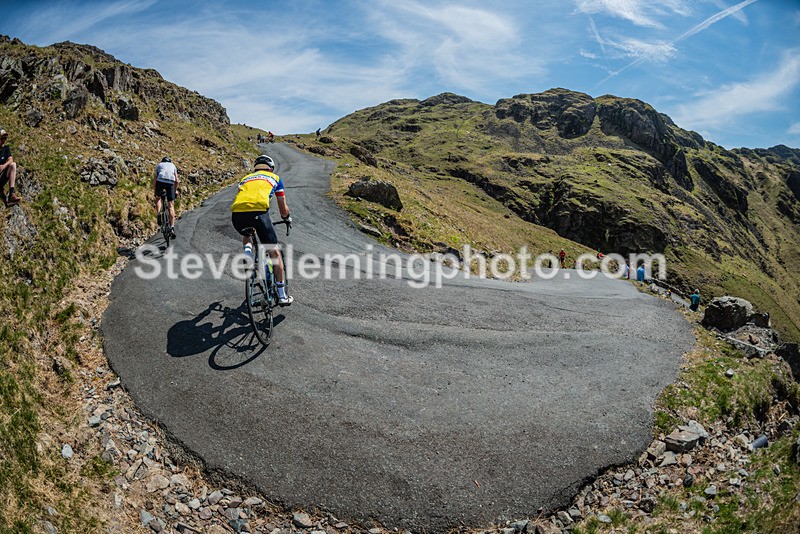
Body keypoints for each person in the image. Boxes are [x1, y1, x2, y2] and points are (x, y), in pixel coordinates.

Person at [231, 154, 293, 306]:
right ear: (271, 168)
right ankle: (282, 295)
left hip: (237, 215)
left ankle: (247, 254)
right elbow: (282, 206)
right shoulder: (275, 178)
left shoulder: (245, 178)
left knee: (248, 232)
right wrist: (286, 217)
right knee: (274, 252)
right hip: (259, 213)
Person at [153, 156, 179, 239]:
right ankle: (172, 228)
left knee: (158, 198)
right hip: (170, 183)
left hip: (160, 181)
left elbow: (155, 180)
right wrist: (175, 191)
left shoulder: (159, 165)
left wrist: (155, 191)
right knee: (171, 205)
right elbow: (177, 181)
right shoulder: (173, 165)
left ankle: (159, 214)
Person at [0, 129, 20, 206]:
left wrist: (3, 166)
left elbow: (10, 159)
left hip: (2, 176)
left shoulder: (6, 148)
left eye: (5, 139)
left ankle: (11, 193)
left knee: (13, 165)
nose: (3, 141)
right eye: (2, 139)